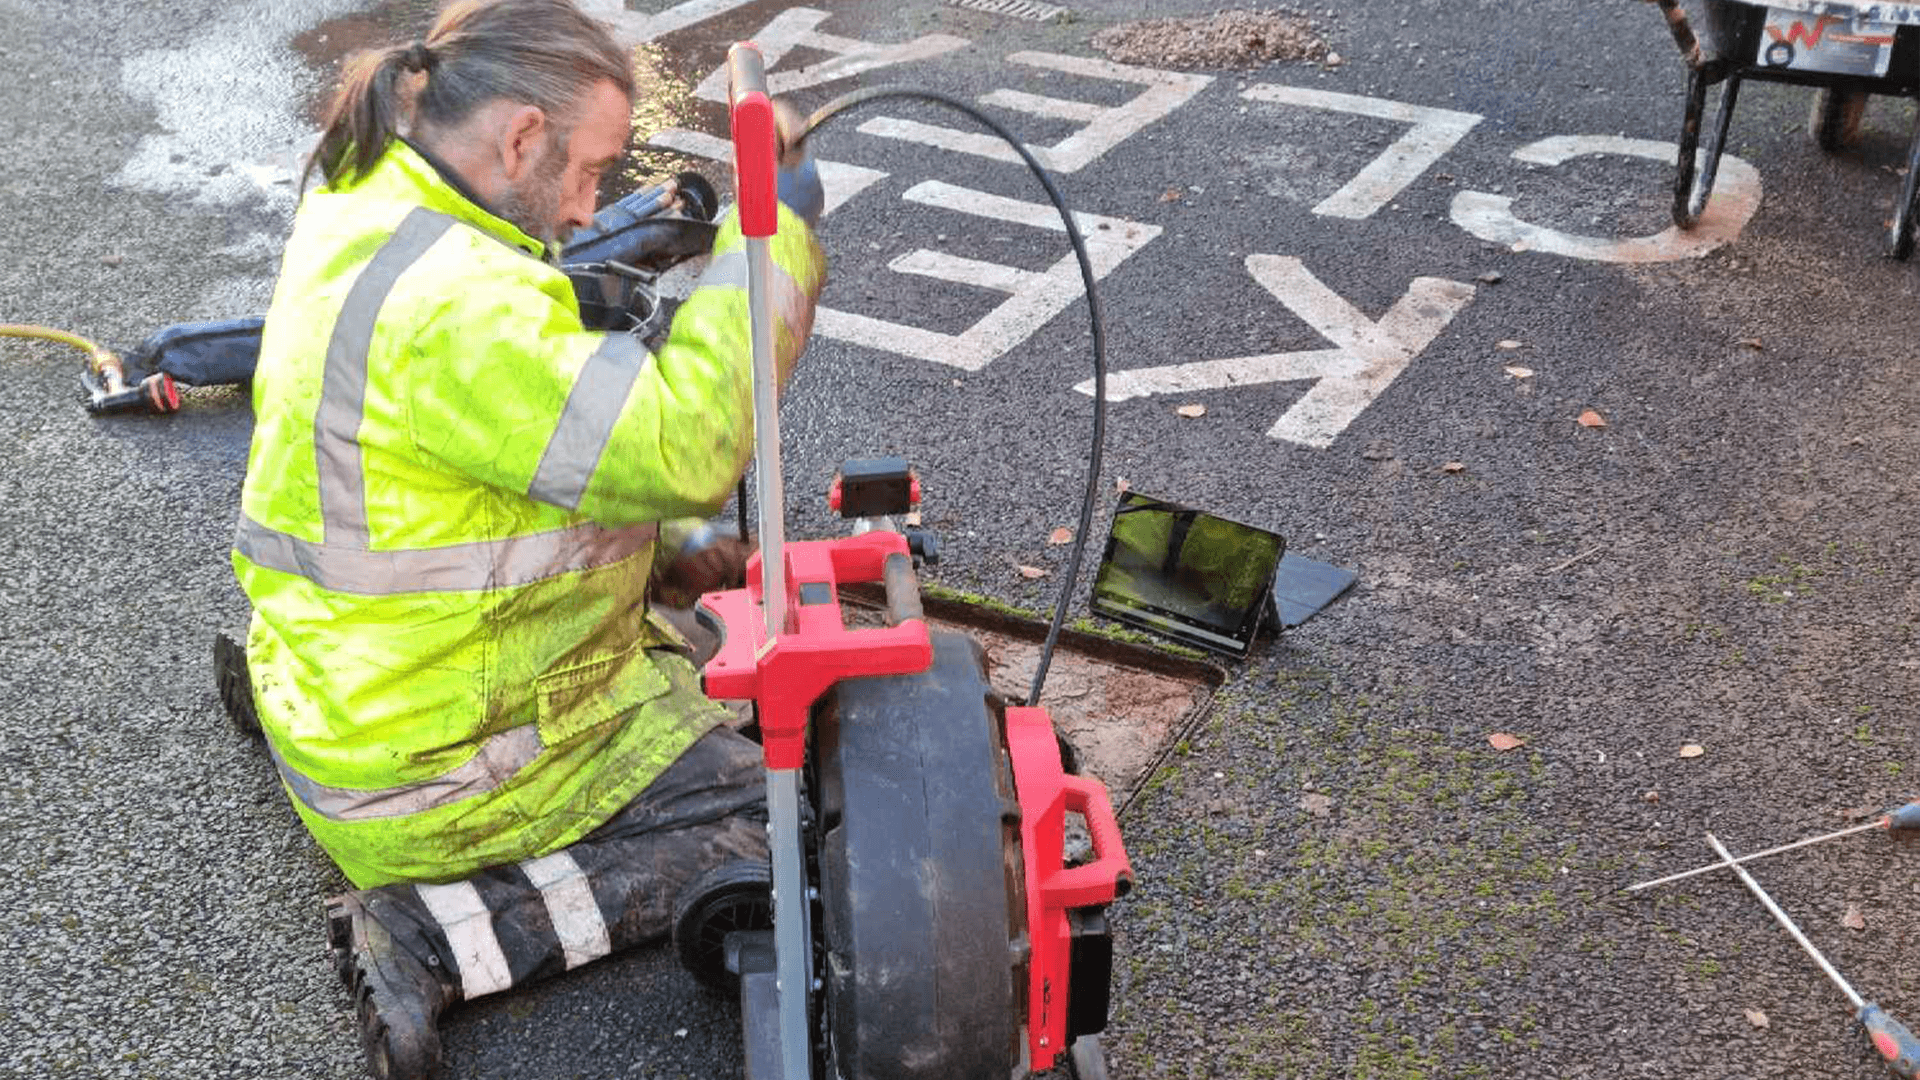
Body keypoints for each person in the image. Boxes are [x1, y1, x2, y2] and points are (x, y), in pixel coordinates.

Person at [227, 1, 826, 1076]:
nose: (594, 201)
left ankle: (290, 725)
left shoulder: (367, 202)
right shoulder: (460, 304)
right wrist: (768, 237)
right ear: (519, 138)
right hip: (432, 774)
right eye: (593, 170)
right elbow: (680, 442)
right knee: (776, 822)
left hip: (339, 682)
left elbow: (485, 470)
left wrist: (661, 554)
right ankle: (434, 934)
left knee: (694, 659)